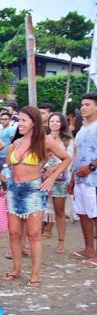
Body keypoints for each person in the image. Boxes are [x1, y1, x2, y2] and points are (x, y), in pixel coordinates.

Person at [0, 107, 70, 286]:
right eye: (19, 120)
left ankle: (35, 275)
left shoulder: (45, 141)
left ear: (33, 122)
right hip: (14, 190)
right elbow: (8, 165)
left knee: (33, 234)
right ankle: (16, 269)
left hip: (33, 190)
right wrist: (4, 175)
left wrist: (52, 176)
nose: (19, 124)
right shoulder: (16, 143)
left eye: (23, 120)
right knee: (14, 233)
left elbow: (67, 159)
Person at [67, 93, 97, 267]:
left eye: (87, 104)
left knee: (95, 215)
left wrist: (91, 167)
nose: (83, 108)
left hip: (94, 180)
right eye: (82, 104)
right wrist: (72, 179)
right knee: (83, 214)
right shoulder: (82, 129)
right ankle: (88, 249)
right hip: (79, 179)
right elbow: (77, 155)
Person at [41, 113, 74, 253]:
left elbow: (69, 159)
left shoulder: (68, 141)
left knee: (59, 211)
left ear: (62, 123)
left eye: (57, 121)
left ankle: (61, 242)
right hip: (43, 177)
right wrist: (46, 168)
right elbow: (39, 156)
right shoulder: (43, 139)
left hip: (61, 179)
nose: (54, 123)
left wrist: (54, 170)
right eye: (51, 121)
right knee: (38, 210)